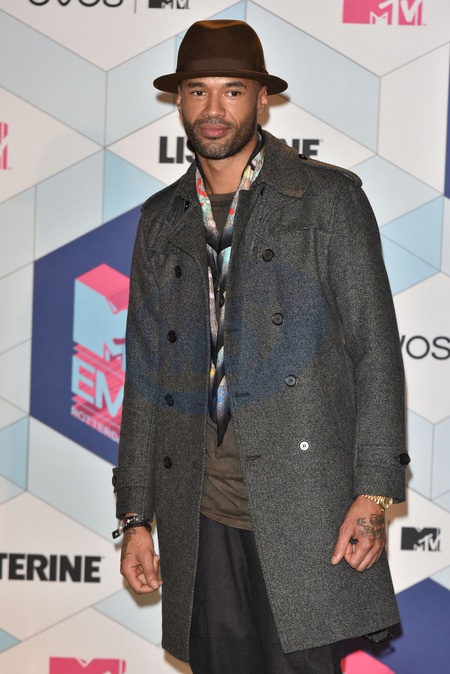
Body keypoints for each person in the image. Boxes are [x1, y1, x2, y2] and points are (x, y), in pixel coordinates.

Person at [112, 19, 410, 674]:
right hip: (200, 515)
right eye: (198, 91)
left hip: (307, 507)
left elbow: (375, 352)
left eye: (232, 91)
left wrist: (375, 492)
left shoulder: (327, 200)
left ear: (262, 99)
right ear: (180, 100)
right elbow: (146, 378)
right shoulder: (161, 221)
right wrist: (135, 516)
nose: (213, 109)